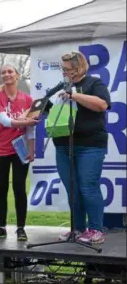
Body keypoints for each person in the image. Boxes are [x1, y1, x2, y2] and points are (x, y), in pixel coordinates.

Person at [46, 51, 111, 244]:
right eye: (63, 69)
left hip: (90, 145)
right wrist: (30, 115)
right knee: (72, 189)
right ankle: (78, 228)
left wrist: (75, 95)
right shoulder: (61, 87)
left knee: (88, 187)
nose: (65, 73)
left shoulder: (93, 84)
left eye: (68, 69)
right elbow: (44, 108)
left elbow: (102, 104)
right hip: (63, 147)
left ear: (79, 67)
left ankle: (96, 229)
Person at [0, 64, 38, 241]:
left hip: (20, 151)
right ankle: (1, 227)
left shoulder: (28, 99)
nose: (6, 74)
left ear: (17, 75)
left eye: (10, 71)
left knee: (19, 188)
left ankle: (21, 228)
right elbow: (5, 121)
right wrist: (26, 120)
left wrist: (31, 149)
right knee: (1, 189)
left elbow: (31, 130)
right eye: (3, 72)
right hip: (0, 150)